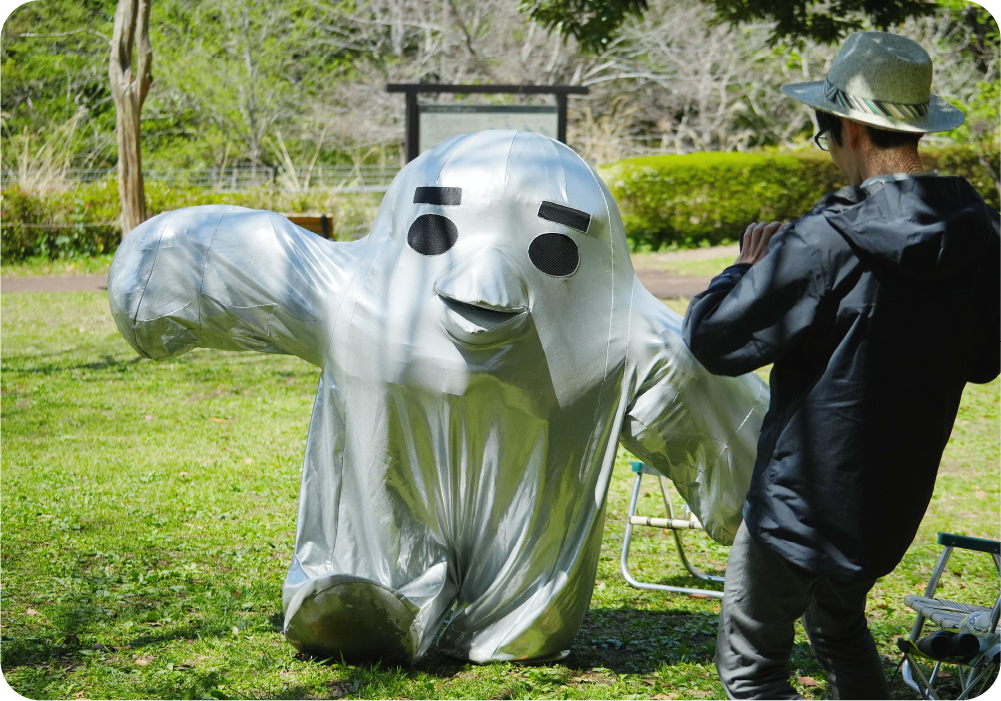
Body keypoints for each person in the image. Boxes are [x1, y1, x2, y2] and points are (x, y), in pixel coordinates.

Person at [682, 31, 1001, 700]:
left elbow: (714, 341)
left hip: (795, 505)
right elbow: (983, 361)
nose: (828, 151)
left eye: (826, 134)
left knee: (753, 669)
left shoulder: (824, 238)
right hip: (884, 506)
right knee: (838, 630)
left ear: (853, 128)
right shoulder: (980, 234)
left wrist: (741, 270)